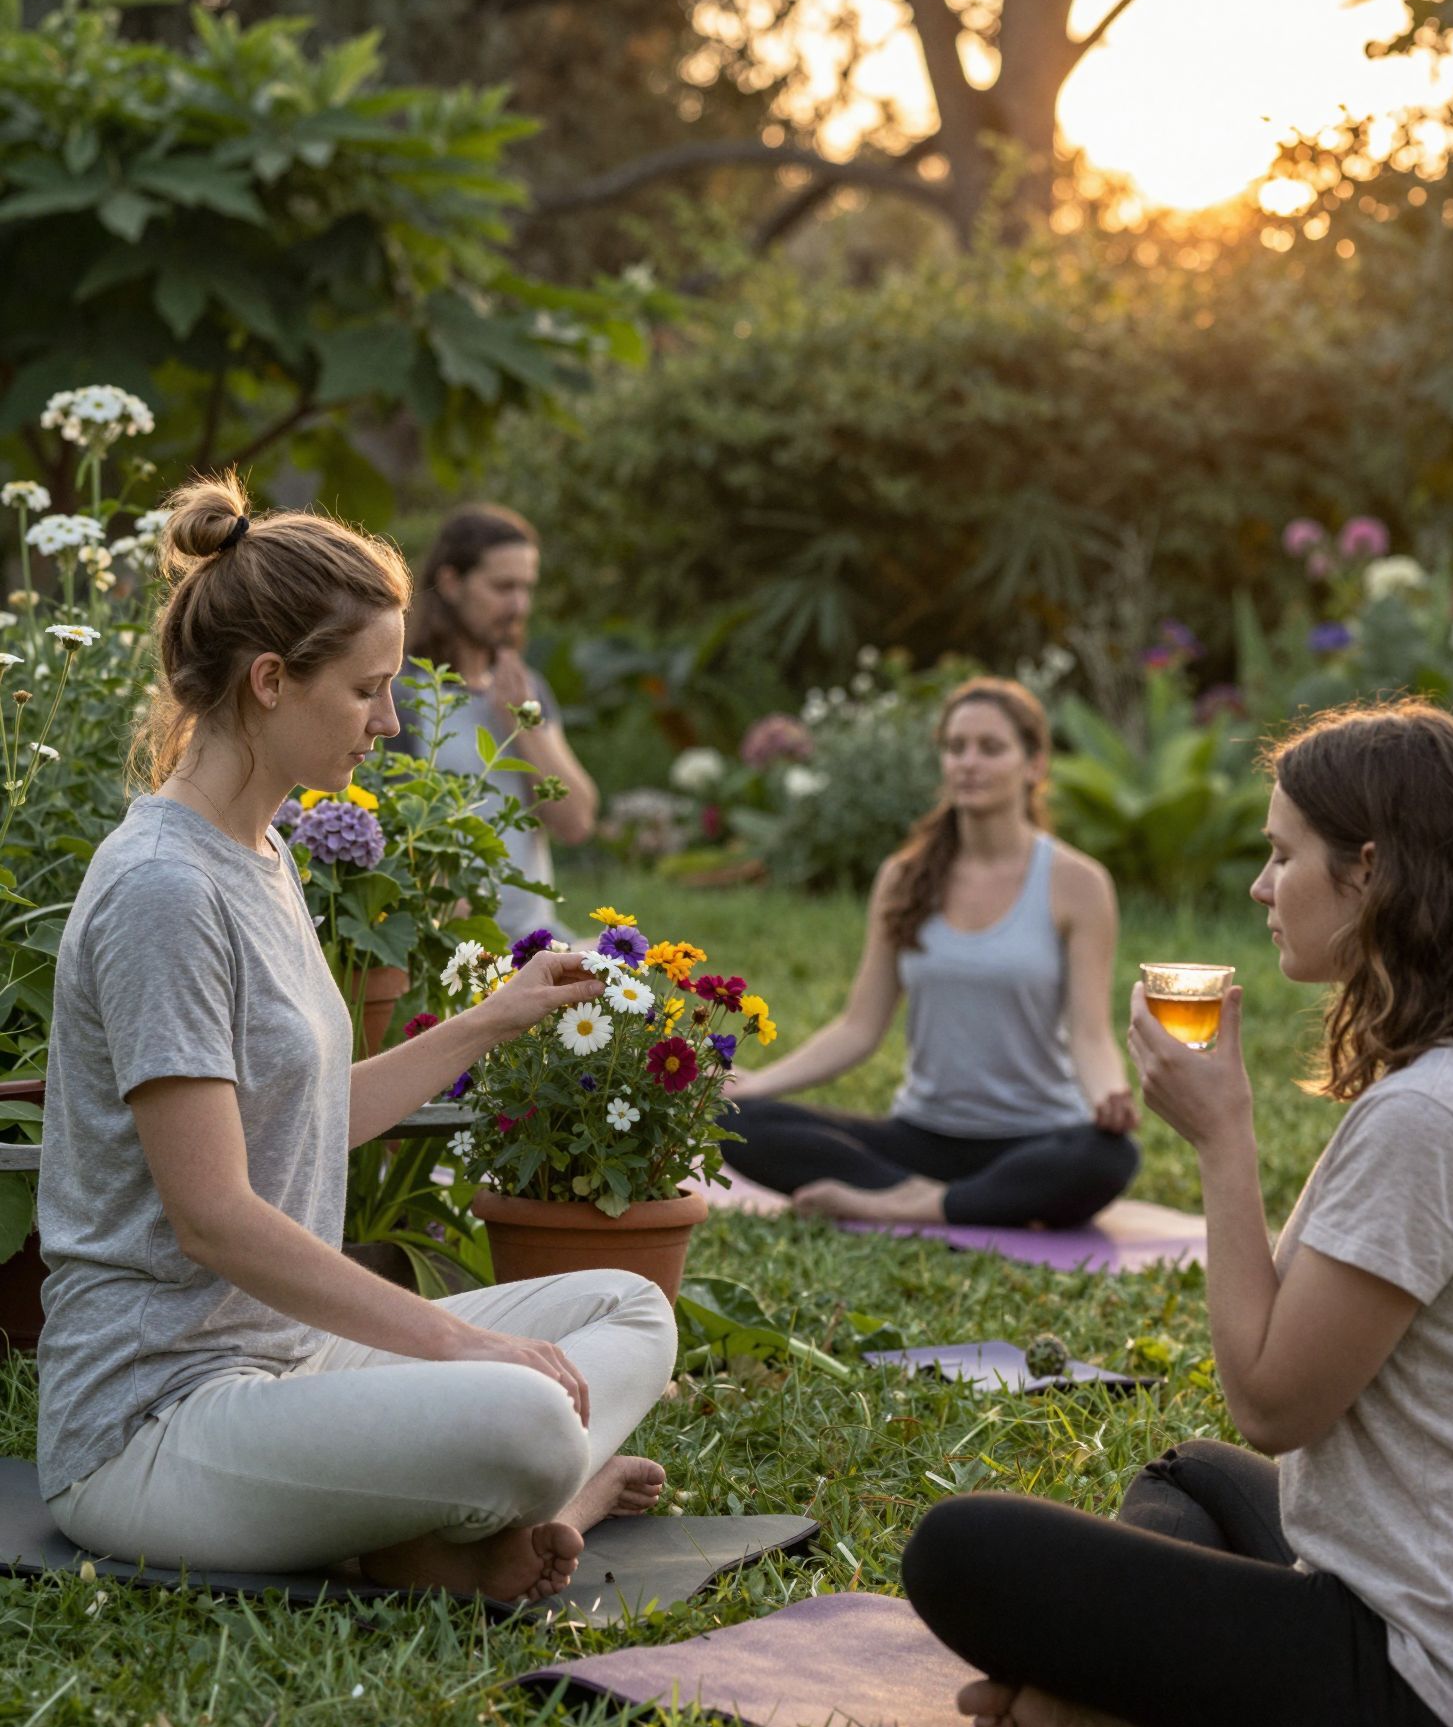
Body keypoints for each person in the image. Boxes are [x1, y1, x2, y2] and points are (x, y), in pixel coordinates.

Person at [35, 476, 675, 1605]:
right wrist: (456, 1343)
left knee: (631, 1307)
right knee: (524, 1408)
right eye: (367, 689)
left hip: (294, 1360)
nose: (389, 720)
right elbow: (214, 1215)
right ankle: (531, 1509)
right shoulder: (162, 889)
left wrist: (492, 1016)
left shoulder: (261, 852)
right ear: (270, 681)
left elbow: (309, 1111)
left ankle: (434, 1533)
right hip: (154, 1419)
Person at [901, 700, 1453, 1727]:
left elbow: (1275, 1404)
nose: (1259, 885)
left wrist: (1222, 1136)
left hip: (1433, 1672)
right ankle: (1119, 1696)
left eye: (1283, 854)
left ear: (1370, 870)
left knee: (960, 1549)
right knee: (1190, 1473)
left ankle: (1130, 1712)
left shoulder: (1430, 1118)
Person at [721, 677, 1140, 1229]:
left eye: (990, 748)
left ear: (1035, 764)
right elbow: (858, 1028)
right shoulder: (904, 877)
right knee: (741, 1122)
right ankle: (947, 1199)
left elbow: (1090, 1032)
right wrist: (757, 1084)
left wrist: (1109, 1095)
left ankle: (905, 1205)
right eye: (955, 747)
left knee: (1109, 1159)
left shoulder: (1078, 883)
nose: (969, 762)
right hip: (919, 1138)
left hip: (1035, 1137)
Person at [398, 504, 597, 941]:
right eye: (503, 587)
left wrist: (522, 722)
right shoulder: (401, 696)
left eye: (527, 588)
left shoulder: (527, 690)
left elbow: (576, 822)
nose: (519, 605)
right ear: (451, 583)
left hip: (537, 942)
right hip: (448, 952)